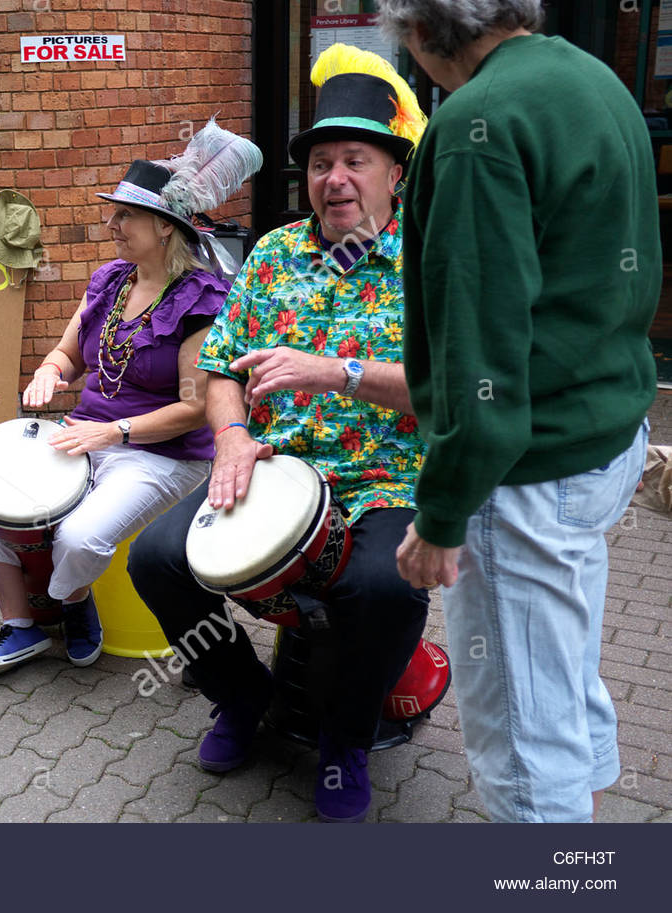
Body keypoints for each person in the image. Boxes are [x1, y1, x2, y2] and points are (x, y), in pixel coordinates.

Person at [376, 0, 660, 823]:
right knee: (561, 669)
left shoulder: (475, 125)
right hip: (604, 436)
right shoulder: (588, 75)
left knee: (519, 736)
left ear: (422, 28)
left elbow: (479, 349)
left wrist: (442, 516)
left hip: (525, 474)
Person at [128, 47, 430, 823]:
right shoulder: (273, 253)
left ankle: (345, 737)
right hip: (271, 465)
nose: (335, 178)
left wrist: (338, 371)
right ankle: (244, 696)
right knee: (158, 559)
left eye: (355, 160)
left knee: (387, 587)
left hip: (383, 478)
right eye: (321, 162)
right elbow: (222, 365)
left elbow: (449, 389)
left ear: (394, 172)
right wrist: (230, 439)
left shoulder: (428, 261)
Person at [0, 122, 263, 677]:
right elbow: (68, 354)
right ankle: (21, 624)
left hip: (163, 455)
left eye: (125, 215)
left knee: (78, 534)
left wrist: (113, 433)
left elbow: (196, 407)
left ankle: (69, 603)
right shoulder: (109, 281)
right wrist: (49, 372)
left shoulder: (202, 300)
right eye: (114, 213)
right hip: (87, 431)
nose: (111, 224)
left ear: (165, 228)